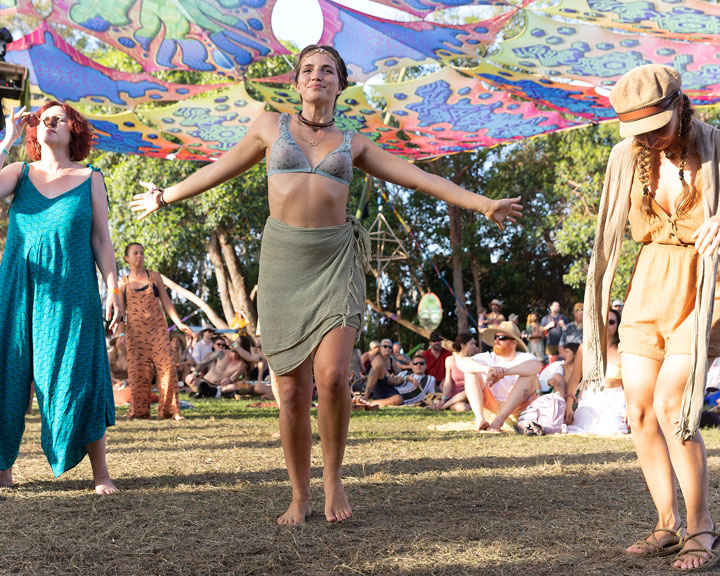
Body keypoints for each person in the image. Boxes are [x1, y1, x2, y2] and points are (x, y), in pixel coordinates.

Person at [129, 44, 522, 525]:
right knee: (291, 392)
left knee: (334, 376)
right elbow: (220, 168)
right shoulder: (269, 126)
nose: (318, 76)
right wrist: (165, 195)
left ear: (341, 84)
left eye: (329, 70)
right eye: (309, 69)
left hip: (336, 261)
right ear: (296, 83)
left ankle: (333, 477)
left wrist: (482, 204)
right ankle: (299, 494)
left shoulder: (352, 143)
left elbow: (417, 178)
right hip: (283, 263)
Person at [583, 64, 720, 571]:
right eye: (638, 130)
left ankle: (702, 526)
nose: (650, 139)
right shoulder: (626, 156)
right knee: (638, 409)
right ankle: (667, 524)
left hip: (706, 284)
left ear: (681, 106)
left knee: (672, 407)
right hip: (648, 284)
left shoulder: (715, 146)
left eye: (657, 127)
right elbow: (607, 236)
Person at [0, 102, 122, 493]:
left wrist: (113, 286)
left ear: (74, 131)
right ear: (34, 130)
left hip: (72, 289)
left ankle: (100, 474)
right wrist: (7, 140)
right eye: (43, 117)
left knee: (77, 371)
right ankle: (3, 470)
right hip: (17, 284)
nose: (50, 121)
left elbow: (101, 239)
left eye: (60, 117)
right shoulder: (20, 172)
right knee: (7, 371)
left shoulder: (90, 178)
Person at [120, 242, 192, 420]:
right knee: (139, 374)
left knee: (167, 369)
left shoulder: (154, 277)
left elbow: (166, 302)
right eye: (135, 253)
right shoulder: (123, 282)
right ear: (126, 258)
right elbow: (121, 312)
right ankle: (139, 412)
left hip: (158, 331)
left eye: (142, 253)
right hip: (135, 336)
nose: (140, 256)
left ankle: (171, 410)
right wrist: (119, 334)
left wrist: (178, 323)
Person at [457, 321, 543, 432]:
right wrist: (488, 369)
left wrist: (504, 372)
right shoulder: (488, 357)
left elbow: (536, 366)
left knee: (529, 377)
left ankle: (499, 421)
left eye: (502, 337)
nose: (497, 341)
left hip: (517, 411)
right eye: (495, 337)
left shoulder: (525, 358)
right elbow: (462, 363)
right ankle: (480, 419)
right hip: (491, 409)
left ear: (513, 343)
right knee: (470, 371)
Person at [566, 309, 627, 435]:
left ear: (617, 325)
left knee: (609, 427)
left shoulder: (623, 350)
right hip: (590, 395)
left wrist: (630, 409)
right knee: (583, 424)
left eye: (611, 322)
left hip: (615, 397)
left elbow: (629, 384)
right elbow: (575, 378)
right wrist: (569, 406)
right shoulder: (585, 348)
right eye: (603, 321)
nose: (607, 325)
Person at [434, 333, 474, 412]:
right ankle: (445, 404)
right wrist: (443, 399)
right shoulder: (450, 360)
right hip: (453, 398)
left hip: (470, 396)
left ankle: (443, 407)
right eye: (471, 344)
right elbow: (447, 382)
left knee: (469, 390)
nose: (474, 346)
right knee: (462, 407)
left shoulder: (473, 360)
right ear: (463, 345)